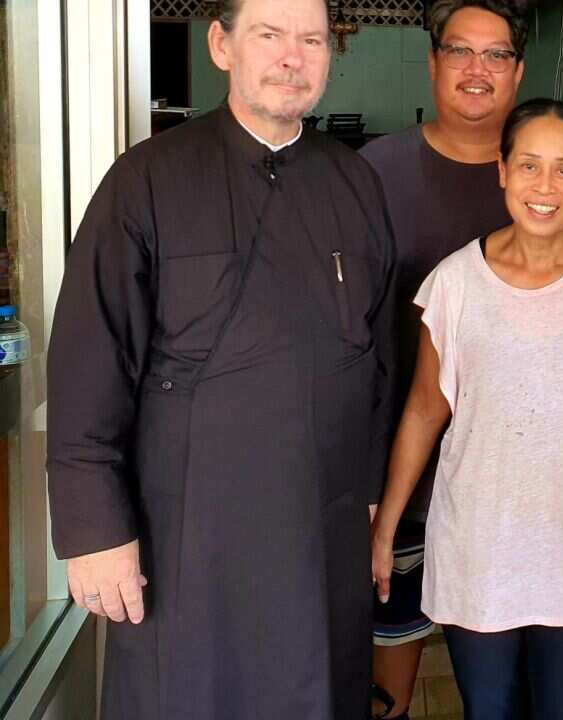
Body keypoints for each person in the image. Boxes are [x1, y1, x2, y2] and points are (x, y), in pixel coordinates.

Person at [44, 0, 395, 717]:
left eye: (311, 40)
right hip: (188, 524)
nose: (292, 57)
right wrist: (95, 532)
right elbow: (89, 363)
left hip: (320, 520)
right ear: (221, 46)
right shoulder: (145, 179)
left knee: (318, 687)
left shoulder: (355, 183)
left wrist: (368, 494)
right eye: (269, 35)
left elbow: (380, 356)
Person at [372, 98, 563, 720]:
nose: (545, 187)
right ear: (501, 170)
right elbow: (426, 410)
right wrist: (385, 527)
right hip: (479, 555)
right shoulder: (452, 285)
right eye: (529, 165)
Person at [357, 2, 563, 717]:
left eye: (497, 54)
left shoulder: (560, 188)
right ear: (433, 59)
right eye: (461, 51)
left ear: (519, 70)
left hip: (531, 502)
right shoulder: (375, 173)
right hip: (400, 480)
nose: (478, 70)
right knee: (389, 685)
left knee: (530, 687)